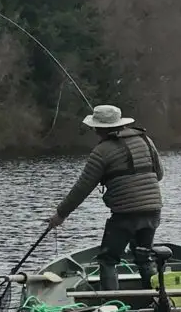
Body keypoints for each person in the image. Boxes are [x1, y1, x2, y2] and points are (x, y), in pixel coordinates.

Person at [47, 104, 164, 292]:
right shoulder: (146, 140)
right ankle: (156, 299)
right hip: (153, 210)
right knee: (144, 256)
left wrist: (60, 215)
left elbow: (82, 188)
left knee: (108, 260)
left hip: (125, 214)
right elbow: (159, 174)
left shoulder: (102, 151)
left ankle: (112, 303)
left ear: (99, 128)